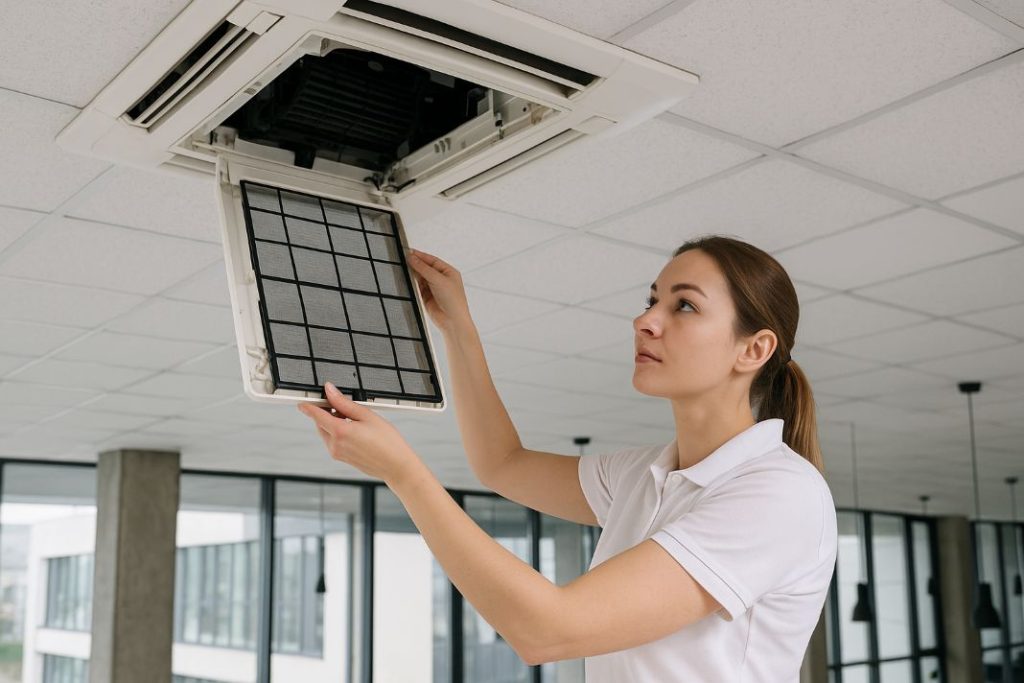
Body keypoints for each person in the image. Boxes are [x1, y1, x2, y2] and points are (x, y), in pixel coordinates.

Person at [299, 234, 838, 682]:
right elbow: (503, 464)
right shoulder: (645, 474)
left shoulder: (779, 494)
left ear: (754, 349)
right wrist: (458, 329)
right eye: (651, 300)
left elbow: (550, 630)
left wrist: (403, 473)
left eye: (685, 305)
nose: (646, 320)